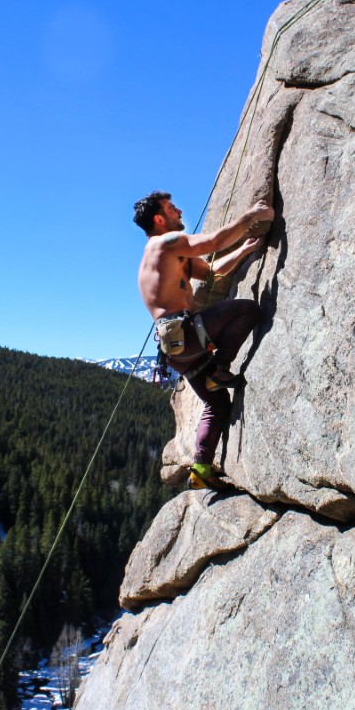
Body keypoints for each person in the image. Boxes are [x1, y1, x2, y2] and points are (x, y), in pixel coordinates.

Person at [134, 191, 272, 490]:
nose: (180, 211)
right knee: (247, 310)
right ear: (159, 219)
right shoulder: (163, 243)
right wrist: (250, 217)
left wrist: (244, 249)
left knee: (218, 402)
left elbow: (211, 271)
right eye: (172, 209)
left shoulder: (168, 254)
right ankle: (220, 367)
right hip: (186, 334)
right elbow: (210, 244)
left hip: (177, 350)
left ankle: (201, 469)